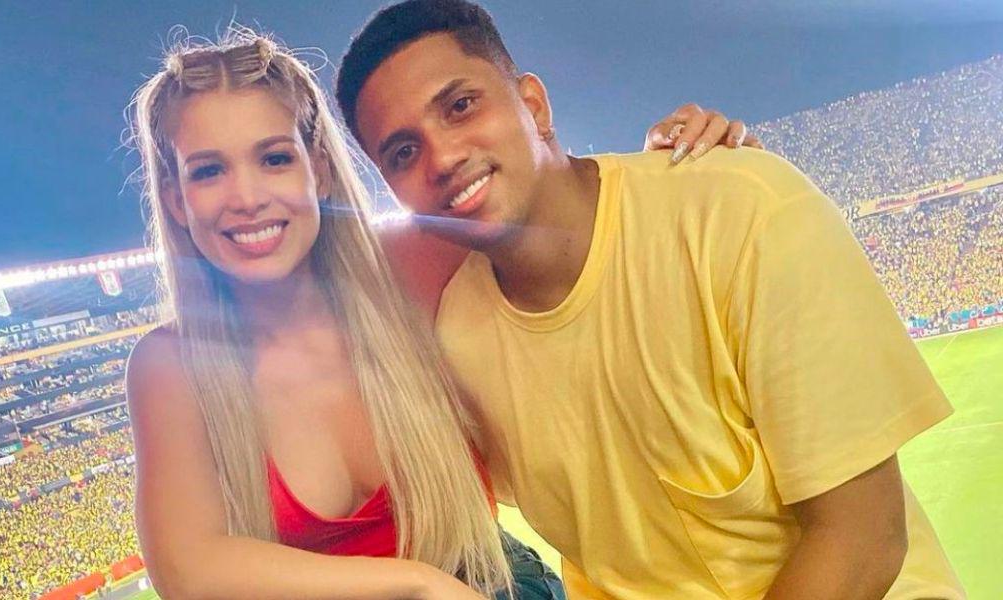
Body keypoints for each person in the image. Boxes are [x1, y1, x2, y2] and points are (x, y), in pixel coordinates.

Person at [335, 1, 965, 599]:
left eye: (461, 106)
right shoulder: (457, 336)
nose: (443, 157)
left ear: (533, 104)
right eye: (403, 152)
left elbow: (864, 538)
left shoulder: (740, 212)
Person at [124, 27, 750, 600]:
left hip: (493, 583)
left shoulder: (408, 263)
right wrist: (417, 583)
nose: (247, 197)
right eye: (209, 171)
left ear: (318, 169)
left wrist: (670, 171)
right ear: (176, 199)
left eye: (274, 158)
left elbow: (567, 217)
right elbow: (188, 569)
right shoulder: (170, 366)